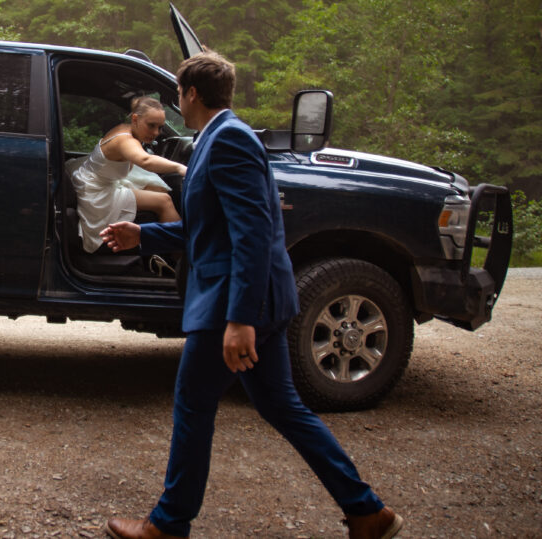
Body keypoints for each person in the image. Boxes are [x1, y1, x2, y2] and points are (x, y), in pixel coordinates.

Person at [99, 52, 403, 539]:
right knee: (282, 407)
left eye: (179, 93)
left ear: (193, 93)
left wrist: (240, 318)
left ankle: (167, 525)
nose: (178, 101)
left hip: (233, 305)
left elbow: (253, 235)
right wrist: (145, 236)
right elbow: (210, 231)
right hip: (249, 301)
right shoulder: (215, 139)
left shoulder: (230, 140)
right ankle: (368, 512)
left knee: (193, 406)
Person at [69, 96, 186, 253]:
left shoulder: (124, 128)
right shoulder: (126, 141)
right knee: (164, 201)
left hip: (93, 181)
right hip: (96, 194)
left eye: (159, 127)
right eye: (151, 125)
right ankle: (183, 260)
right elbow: (145, 160)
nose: (156, 133)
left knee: (159, 190)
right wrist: (180, 168)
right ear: (135, 119)